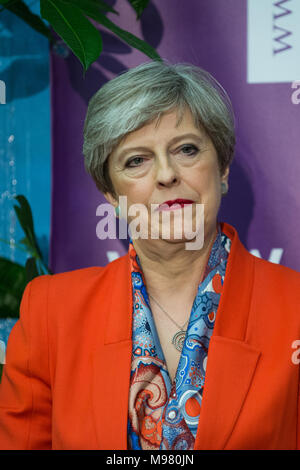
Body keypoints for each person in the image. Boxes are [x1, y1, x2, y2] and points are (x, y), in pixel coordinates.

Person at [0, 60, 299, 450]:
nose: (166, 174)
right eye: (136, 160)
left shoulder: (295, 307)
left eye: (186, 149)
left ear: (222, 168)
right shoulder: (51, 311)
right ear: (111, 193)